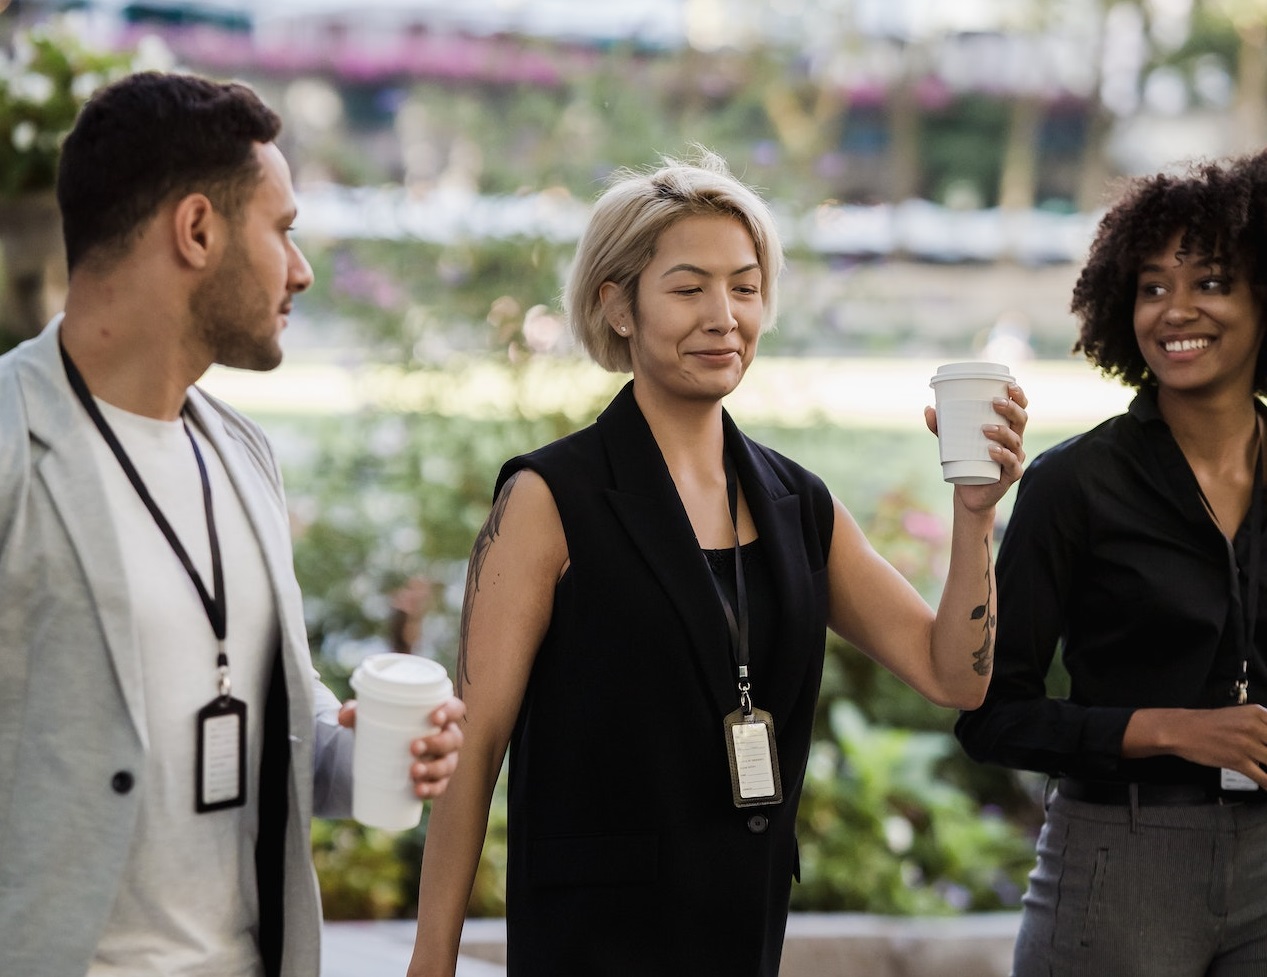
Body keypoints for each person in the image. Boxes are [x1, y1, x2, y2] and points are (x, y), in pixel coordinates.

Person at [406, 150, 1028, 977]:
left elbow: (954, 675)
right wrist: (430, 963)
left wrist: (973, 513)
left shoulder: (797, 503)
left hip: (741, 935)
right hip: (590, 946)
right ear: (617, 306)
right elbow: (474, 747)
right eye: (688, 288)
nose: (723, 316)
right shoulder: (548, 499)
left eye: (744, 287)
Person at [0, 72, 465, 977]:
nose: (302, 268)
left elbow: (271, 729)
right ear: (198, 230)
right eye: (282, 229)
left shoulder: (244, 453)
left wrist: (364, 752)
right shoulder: (13, 446)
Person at [955, 151, 1267, 976]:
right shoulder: (1074, 483)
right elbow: (991, 715)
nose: (1175, 309)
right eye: (1151, 286)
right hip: (1120, 863)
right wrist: (1173, 730)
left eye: (1209, 281)